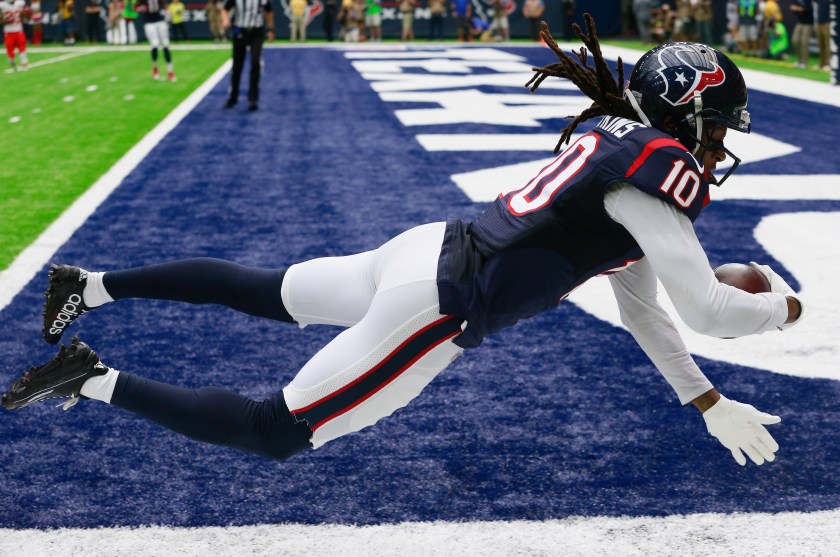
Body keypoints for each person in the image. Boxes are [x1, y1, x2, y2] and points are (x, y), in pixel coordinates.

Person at [3, 15, 806, 469]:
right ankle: (89, 376)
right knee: (272, 430)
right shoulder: (656, 175)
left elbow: (646, 310)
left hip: (426, 249)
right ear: (687, 118)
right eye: (716, 128)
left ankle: (92, 283)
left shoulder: (619, 148)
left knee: (262, 288)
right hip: (439, 303)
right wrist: (784, 306)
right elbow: (704, 309)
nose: (718, 148)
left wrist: (703, 400)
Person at [221, 0, 274, 111]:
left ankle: (253, 98)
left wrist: (270, 29)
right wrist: (225, 19)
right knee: (237, 66)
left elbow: (269, 11)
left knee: (255, 63)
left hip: (256, 32)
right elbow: (225, 9)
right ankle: (233, 97)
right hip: (239, 31)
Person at [136, 0, 176, 82]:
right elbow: (136, 8)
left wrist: (168, 13)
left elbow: (164, 4)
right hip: (149, 23)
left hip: (160, 21)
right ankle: (155, 68)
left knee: (166, 45)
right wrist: (140, 9)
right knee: (155, 44)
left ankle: (170, 71)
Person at [0, 0, 29, 71]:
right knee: (10, 51)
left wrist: (23, 14)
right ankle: (12, 63)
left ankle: (24, 63)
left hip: (18, 30)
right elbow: (1, 21)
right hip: (8, 31)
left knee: (22, 47)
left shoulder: (20, 3)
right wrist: (5, 21)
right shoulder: (2, 5)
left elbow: (26, 16)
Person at [789, 0, 813, 69]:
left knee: (804, 42)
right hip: (799, 22)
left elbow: (808, 9)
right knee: (795, 40)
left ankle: (804, 62)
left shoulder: (808, 1)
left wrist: (798, 8)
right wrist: (799, 8)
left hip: (808, 23)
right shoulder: (797, 1)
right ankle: (799, 60)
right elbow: (792, 7)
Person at [813, 0, 831, 70]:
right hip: (819, 23)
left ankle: (828, 64)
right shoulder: (819, 1)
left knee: (827, 45)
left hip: (827, 23)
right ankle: (821, 64)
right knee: (821, 45)